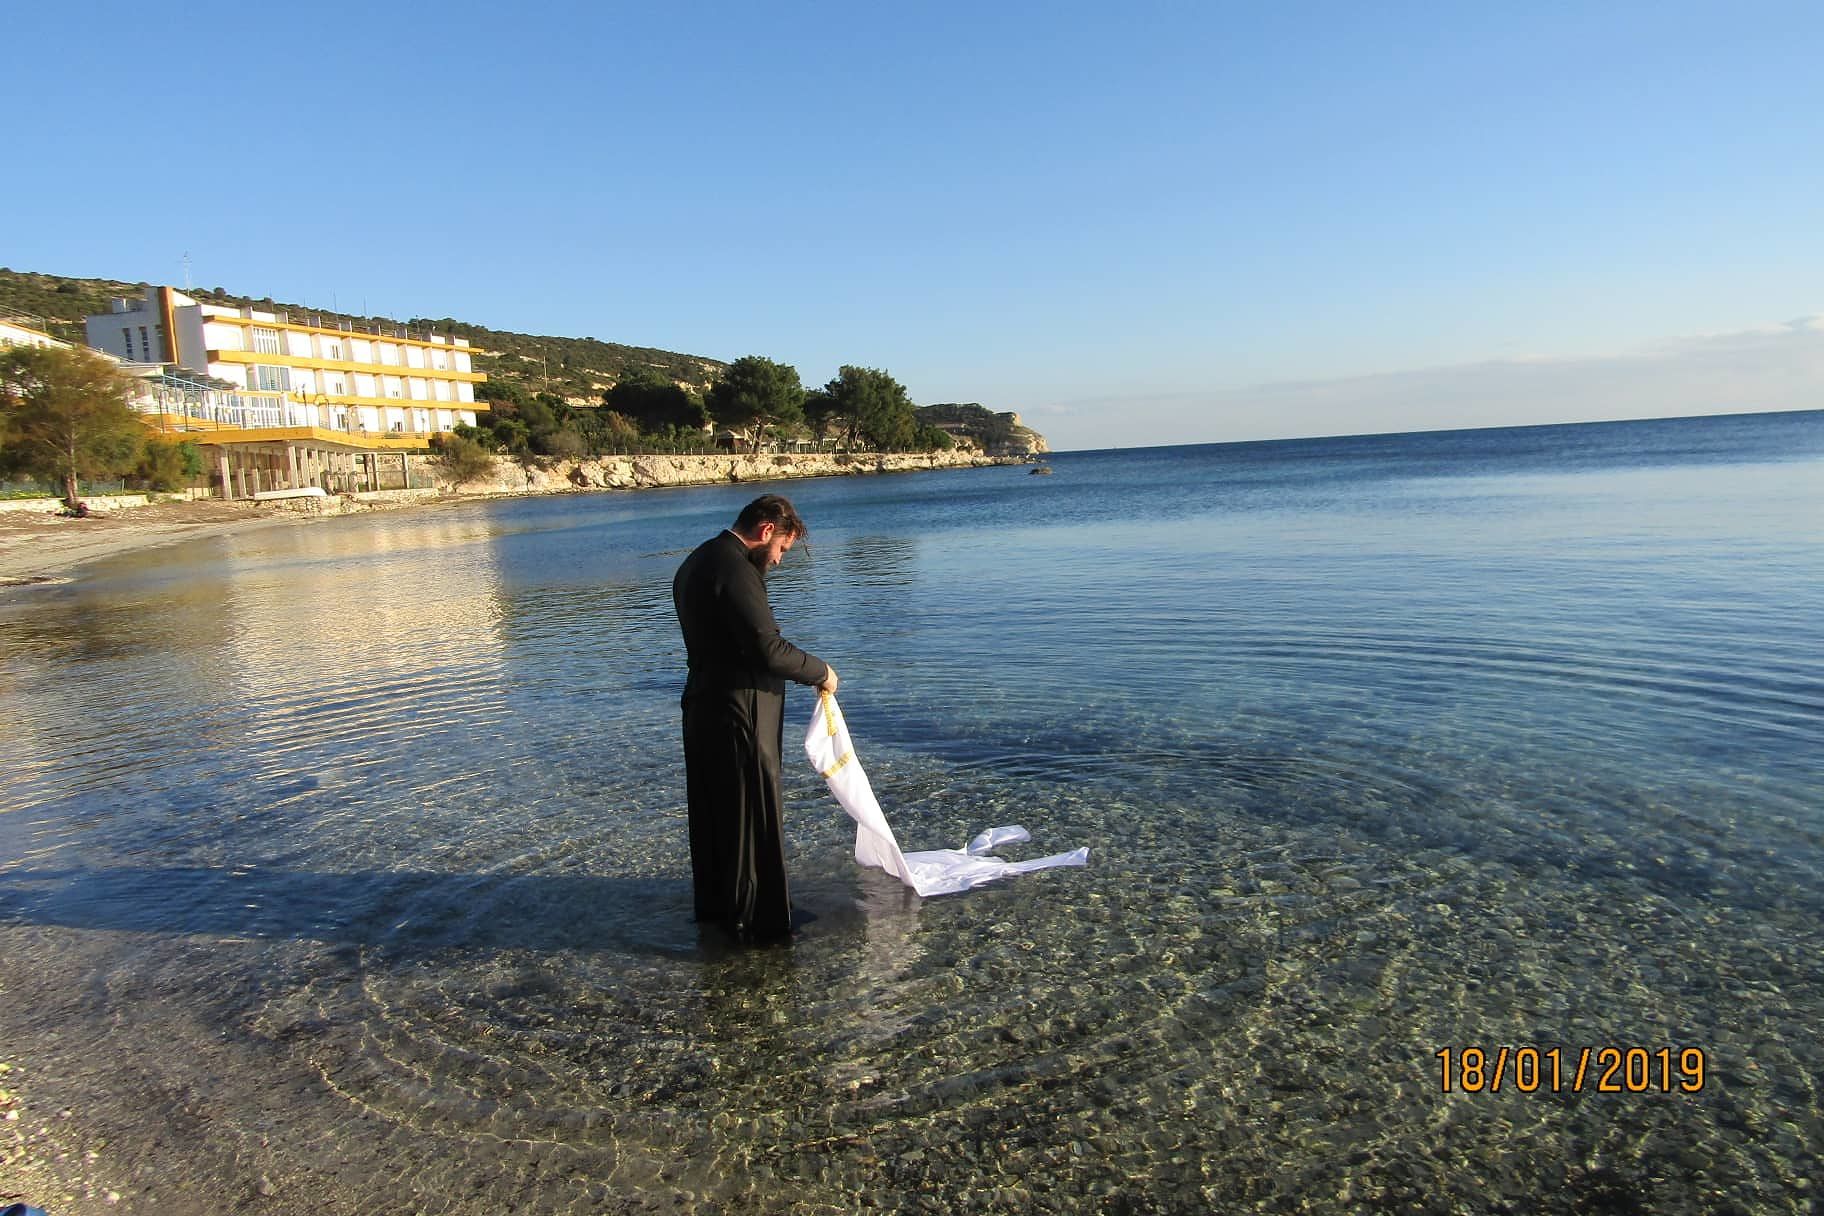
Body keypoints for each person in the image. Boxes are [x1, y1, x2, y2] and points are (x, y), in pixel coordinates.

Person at [673, 494, 838, 942]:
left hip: (704, 706)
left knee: (714, 817)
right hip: (740, 713)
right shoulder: (735, 569)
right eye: (782, 549)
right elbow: (768, 649)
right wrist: (821, 672)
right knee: (750, 815)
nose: (780, 561)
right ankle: (757, 923)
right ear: (766, 531)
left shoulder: (697, 561)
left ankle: (718, 912)